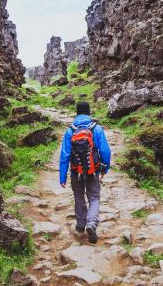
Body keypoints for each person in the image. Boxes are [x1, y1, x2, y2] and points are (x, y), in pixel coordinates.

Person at [59, 101, 111, 243]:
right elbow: (105, 151)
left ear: (77, 113)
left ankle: (81, 225)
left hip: (76, 171)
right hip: (93, 170)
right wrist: (104, 167)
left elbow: (64, 155)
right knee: (94, 197)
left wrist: (62, 177)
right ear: (88, 113)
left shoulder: (70, 130)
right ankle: (91, 223)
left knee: (79, 196)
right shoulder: (96, 128)